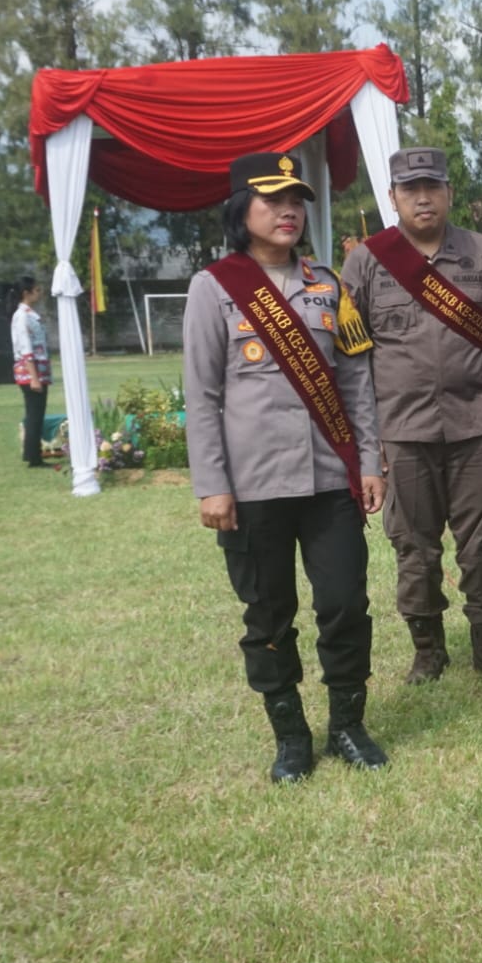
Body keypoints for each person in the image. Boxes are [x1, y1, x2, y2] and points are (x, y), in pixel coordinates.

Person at [182, 152, 387, 782]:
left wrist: (371, 461)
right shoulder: (213, 287)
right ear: (241, 211)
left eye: (295, 199)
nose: (288, 210)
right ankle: (291, 737)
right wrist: (212, 485)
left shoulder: (331, 286)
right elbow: (203, 394)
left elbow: (356, 382)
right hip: (253, 488)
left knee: (345, 604)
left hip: (330, 481)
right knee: (268, 613)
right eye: (272, 200)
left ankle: (348, 725)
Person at [343, 148, 482, 685]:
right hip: (402, 434)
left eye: (432, 187)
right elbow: (351, 357)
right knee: (414, 548)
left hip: (477, 428)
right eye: (410, 189)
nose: (423, 198)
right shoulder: (367, 262)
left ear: (447, 191)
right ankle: (428, 649)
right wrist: (365, 445)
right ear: (393, 197)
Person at [10, 275, 51, 468]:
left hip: (38, 371)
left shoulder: (30, 314)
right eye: (36, 290)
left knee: (37, 414)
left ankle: (32, 453)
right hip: (30, 373)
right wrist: (34, 378)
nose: (39, 294)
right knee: (35, 414)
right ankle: (34, 457)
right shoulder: (22, 317)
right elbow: (26, 349)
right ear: (26, 293)